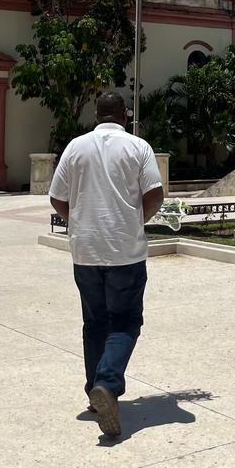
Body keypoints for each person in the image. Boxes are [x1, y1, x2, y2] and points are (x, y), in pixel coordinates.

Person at [49, 91, 164, 437]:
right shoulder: (138, 147)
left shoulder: (75, 147)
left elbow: (57, 197)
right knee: (125, 322)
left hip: (85, 252)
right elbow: (155, 193)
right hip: (124, 251)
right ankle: (107, 385)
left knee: (94, 322)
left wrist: (78, 223)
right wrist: (135, 222)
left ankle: (94, 393)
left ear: (97, 115)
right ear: (124, 114)